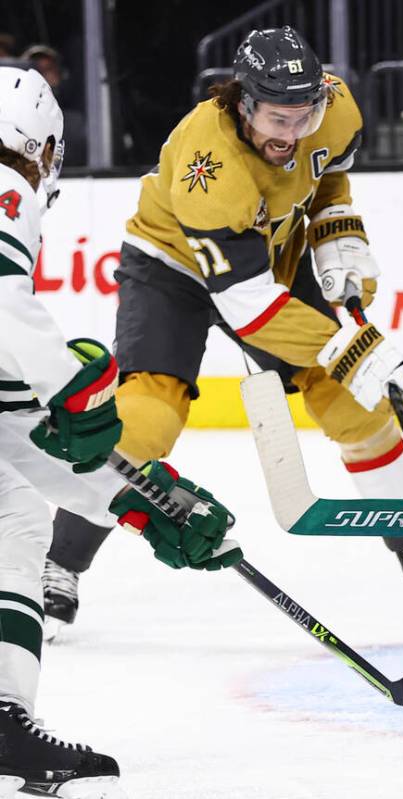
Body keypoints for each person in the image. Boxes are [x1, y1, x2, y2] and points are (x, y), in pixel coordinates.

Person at [42, 26, 403, 638]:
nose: (290, 134)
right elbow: (250, 307)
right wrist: (350, 349)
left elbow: (328, 178)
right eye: (275, 118)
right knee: (146, 421)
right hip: (173, 268)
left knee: (353, 403)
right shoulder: (205, 164)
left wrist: (338, 229)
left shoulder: (335, 108)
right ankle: (58, 565)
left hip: (274, 252)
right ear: (242, 102)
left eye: (303, 115)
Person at [0, 65, 239, 797]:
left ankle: (4, 720)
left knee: (13, 525)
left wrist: (140, 501)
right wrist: (72, 386)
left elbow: (16, 431)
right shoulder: (7, 187)